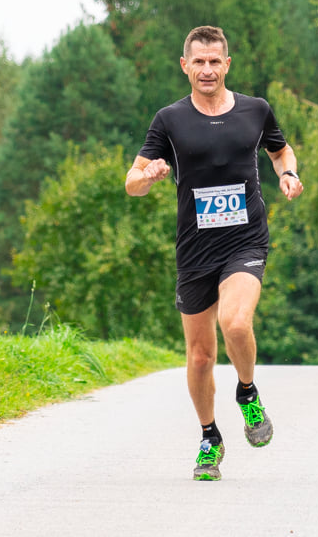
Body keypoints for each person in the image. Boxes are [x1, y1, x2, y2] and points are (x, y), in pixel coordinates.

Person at [125, 26, 303, 480]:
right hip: (194, 249)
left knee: (236, 322)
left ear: (227, 64)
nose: (207, 70)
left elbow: (281, 151)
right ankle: (210, 437)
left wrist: (287, 175)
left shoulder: (255, 110)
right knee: (201, 356)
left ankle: (247, 391)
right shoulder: (169, 120)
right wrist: (151, 175)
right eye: (198, 62)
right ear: (185, 66)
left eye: (214, 61)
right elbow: (132, 182)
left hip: (245, 239)